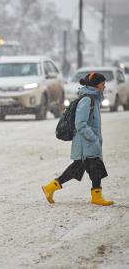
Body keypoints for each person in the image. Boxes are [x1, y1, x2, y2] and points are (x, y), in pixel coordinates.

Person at [42, 72, 114, 206]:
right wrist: (93, 138)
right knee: (95, 168)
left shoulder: (94, 99)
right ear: (96, 85)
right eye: (102, 84)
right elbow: (80, 123)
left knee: (77, 169)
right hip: (86, 144)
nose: (104, 86)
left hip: (87, 144)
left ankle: (50, 188)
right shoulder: (88, 100)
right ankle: (96, 197)